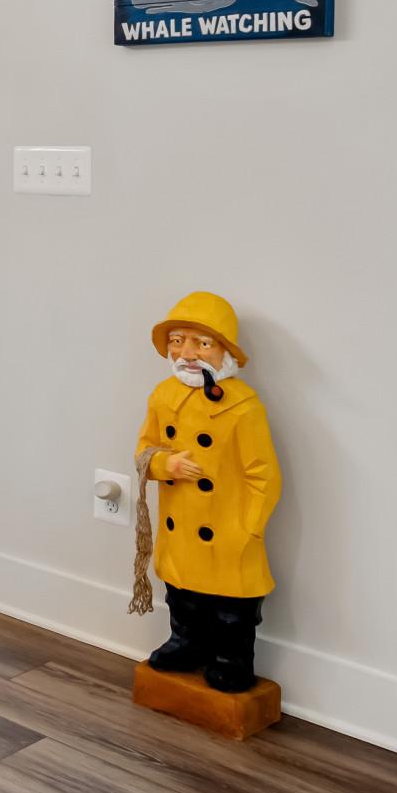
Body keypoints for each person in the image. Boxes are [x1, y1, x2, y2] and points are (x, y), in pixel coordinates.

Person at [133, 291, 281, 692]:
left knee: (232, 611)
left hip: (227, 530)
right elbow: (144, 451)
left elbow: (263, 475)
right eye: (178, 341)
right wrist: (167, 465)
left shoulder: (243, 406)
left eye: (201, 342)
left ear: (224, 351)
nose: (187, 353)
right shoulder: (163, 396)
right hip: (181, 527)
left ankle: (232, 660)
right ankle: (186, 645)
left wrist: (249, 529)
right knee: (182, 597)